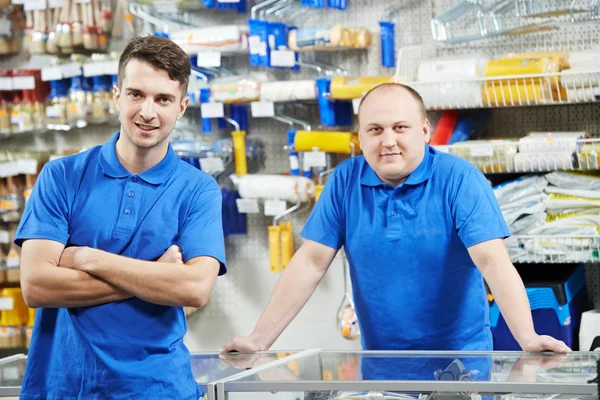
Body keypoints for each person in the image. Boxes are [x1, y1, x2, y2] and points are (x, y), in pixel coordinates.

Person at [222, 83, 570, 359]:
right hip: (383, 362)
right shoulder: (344, 181)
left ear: (424, 130)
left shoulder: (459, 179)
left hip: (460, 364)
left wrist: (526, 337)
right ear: (359, 137)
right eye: (375, 129)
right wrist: (259, 339)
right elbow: (311, 262)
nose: (388, 141)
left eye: (400, 127)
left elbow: (492, 260)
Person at [15, 35, 226, 399]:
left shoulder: (198, 190)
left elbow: (193, 289)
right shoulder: (61, 176)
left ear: (182, 106)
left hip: (158, 389)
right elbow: (36, 286)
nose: (147, 111)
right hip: (64, 388)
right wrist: (154, 273)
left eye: (163, 99)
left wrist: (85, 257)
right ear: (116, 96)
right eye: (136, 94)